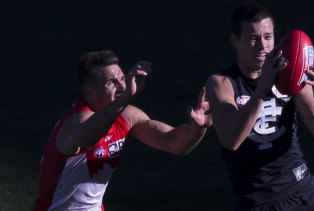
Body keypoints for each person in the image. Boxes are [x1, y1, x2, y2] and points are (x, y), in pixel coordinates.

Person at [34, 50, 212, 211]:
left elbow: (174, 143)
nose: (122, 86)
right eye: (112, 83)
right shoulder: (75, 121)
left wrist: (198, 127)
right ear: (89, 93)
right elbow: (87, 138)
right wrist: (124, 99)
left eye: (122, 78)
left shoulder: (126, 116)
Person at [205, 2, 314, 211]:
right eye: (252, 39)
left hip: (302, 188)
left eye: (268, 37)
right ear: (234, 40)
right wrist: (260, 90)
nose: (263, 47)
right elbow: (231, 140)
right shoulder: (221, 83)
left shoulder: (291, 73)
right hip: (257, 200)